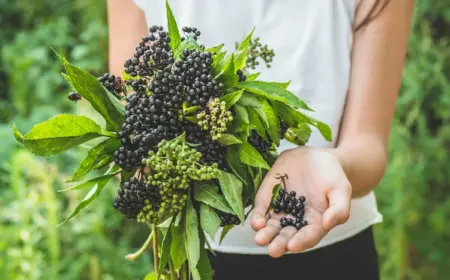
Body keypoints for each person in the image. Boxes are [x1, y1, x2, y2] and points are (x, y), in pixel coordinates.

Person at [107, 0, 414, 279]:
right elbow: (132, 120)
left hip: (335, 249)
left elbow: (368, 146)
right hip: (199, 255)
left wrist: (334, 163)